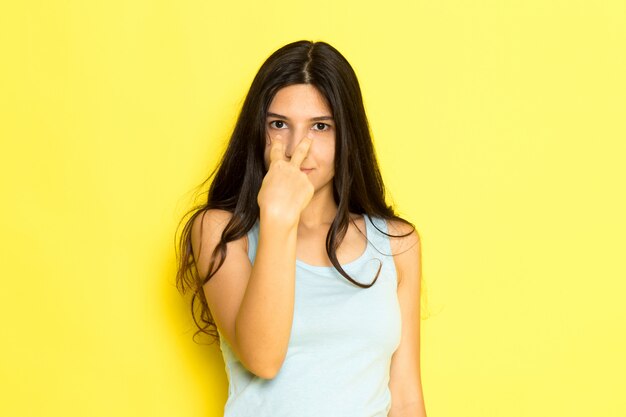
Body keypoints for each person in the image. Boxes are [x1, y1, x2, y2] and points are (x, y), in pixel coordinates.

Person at [175, 40, 427, 417]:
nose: (298, 147)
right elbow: (263, 359)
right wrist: (277, 216)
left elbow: (406, 396)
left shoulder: (396, 243)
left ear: (347, 136)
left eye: (320, 126)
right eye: (279, 124)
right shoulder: (222, 232)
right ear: (258, 132)